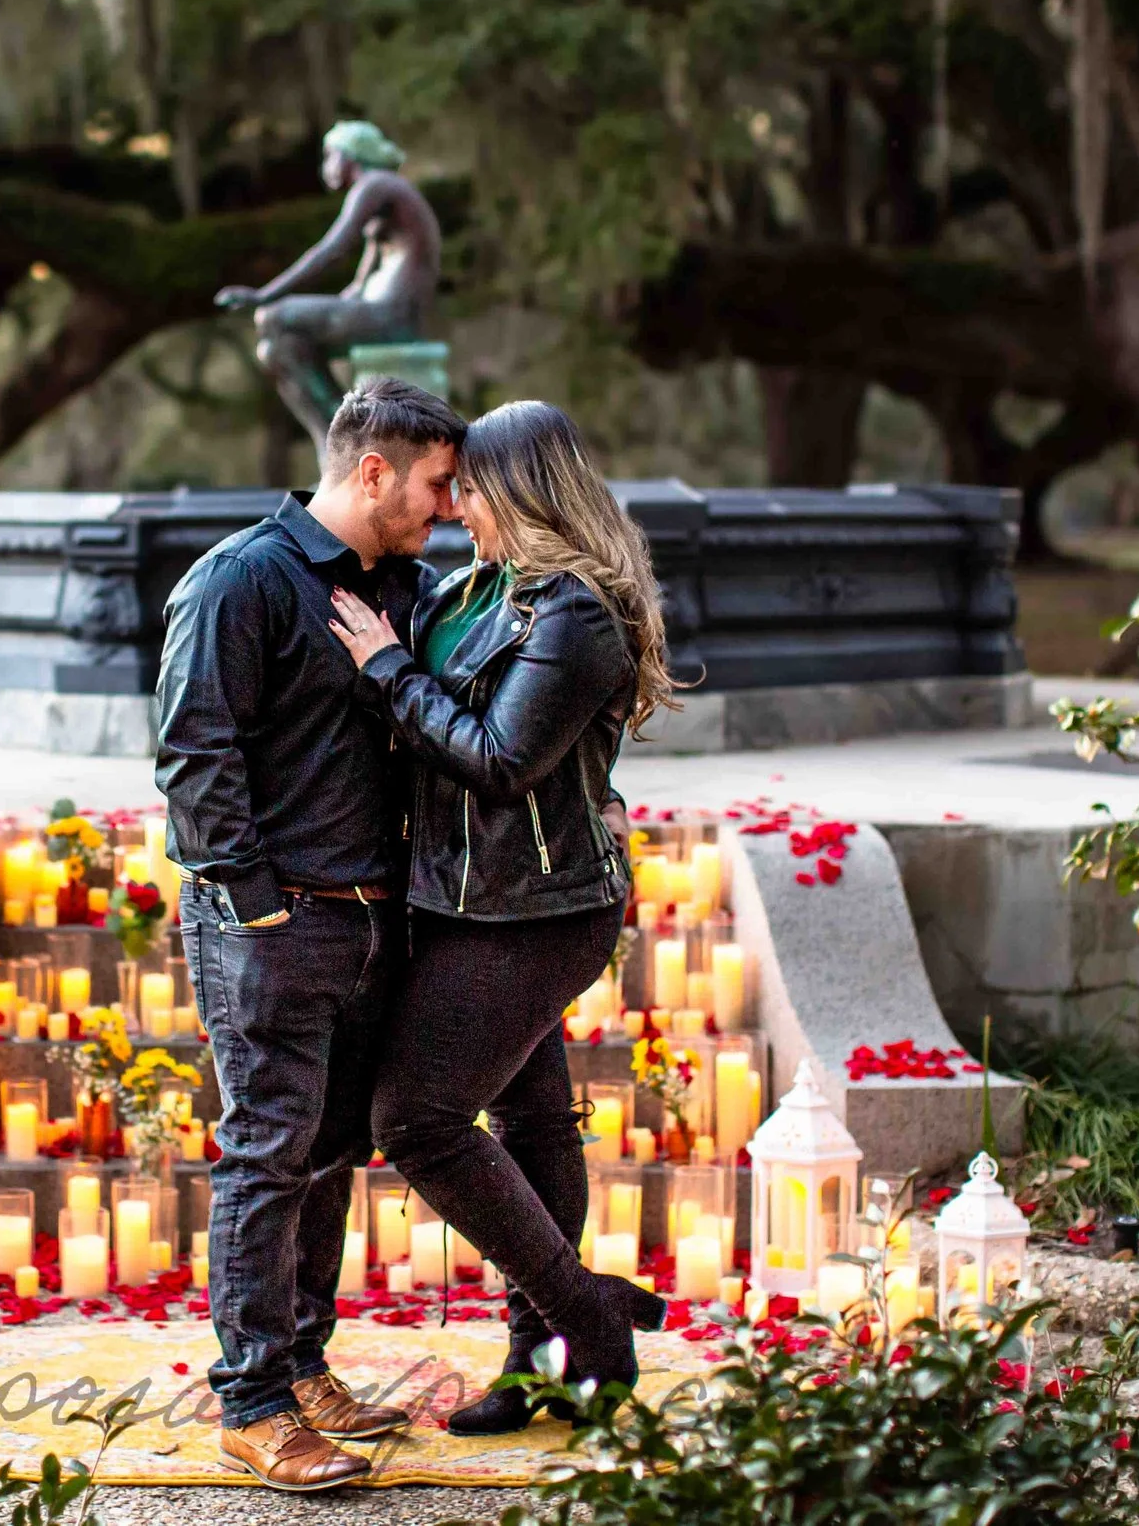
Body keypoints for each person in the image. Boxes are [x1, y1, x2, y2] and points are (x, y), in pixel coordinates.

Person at [325, 400, 681, 1434]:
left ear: (518, 489)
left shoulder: (576, 612)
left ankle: (586, 1318)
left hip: (538, 907)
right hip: (455, 898)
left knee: (416, 1119)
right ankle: (538, 1361)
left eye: (466, 486)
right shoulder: (477, 589)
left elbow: (499, 757)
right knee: (527, 1122)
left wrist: (384, 667)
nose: (451, 506)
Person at [154, 378, 466, 1489]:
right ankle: (250, 1401)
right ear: (372, 469)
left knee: (332, 1149)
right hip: (276, 922)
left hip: (378, 919)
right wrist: (255, 900)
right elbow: (195, 752)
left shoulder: (404, 584)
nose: (448, 505)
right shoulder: (241, 579)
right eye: (436, 483)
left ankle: (301, 1362)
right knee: (268, 1150)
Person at [215, 120, 442, 458]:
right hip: (382, 309)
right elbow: (362, 279)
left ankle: (340, 435)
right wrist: (338, 302)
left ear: (349, 157)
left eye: (329, 156)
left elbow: (332, 248)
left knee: (272, 317)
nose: (325, 168)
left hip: (392, 315)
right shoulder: (384, 194)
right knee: (277, 350)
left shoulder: (376, 184)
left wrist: (265, 294)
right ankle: (339, 438)